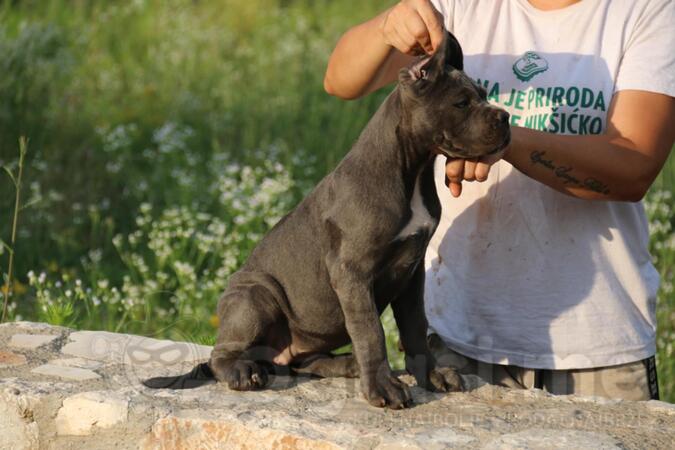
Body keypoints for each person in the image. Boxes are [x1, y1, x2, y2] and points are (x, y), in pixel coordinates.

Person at [324, 0, 674, 400]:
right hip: (461, 340)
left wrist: (499, 138)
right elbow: (341, 80)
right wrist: (387, 28)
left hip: (599, 348)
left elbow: (633, 167)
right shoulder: (460, 6)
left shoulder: (648, 10)